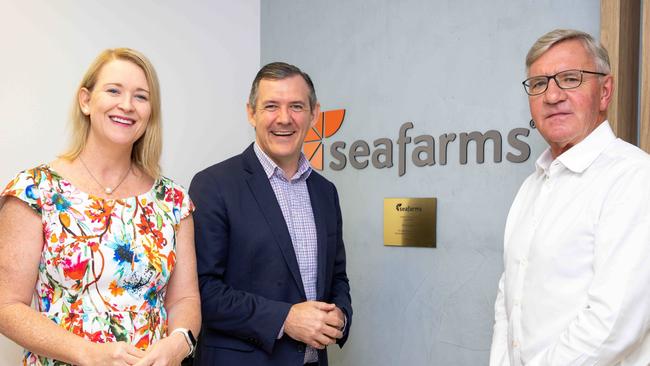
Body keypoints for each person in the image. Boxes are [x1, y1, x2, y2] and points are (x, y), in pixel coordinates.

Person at [0, 48, 201, 366]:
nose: (127, 105)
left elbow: (185, 299)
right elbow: (7, 306)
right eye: (114, 90)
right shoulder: (35, 190)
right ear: (85, 100)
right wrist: (86, 353)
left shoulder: (173, 201)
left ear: (150, 112)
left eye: (141, 97)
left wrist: (178, 344)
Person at [490, 29, 650, 365]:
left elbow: (614, 323)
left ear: (605, 91)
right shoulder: (533, 185)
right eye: (538, 84)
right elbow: (509, 300)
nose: (552, 96)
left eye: (570, 79)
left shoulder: (634, 178)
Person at [189, 62, 352, 366]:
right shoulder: (214, 185)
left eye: (296, 106)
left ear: (314, 114)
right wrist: (285, 318)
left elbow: (337, 278)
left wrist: (340, 316)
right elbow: (201, 290)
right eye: (271, 106)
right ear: (251, 113)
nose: (284, 118)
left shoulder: (325, 192)